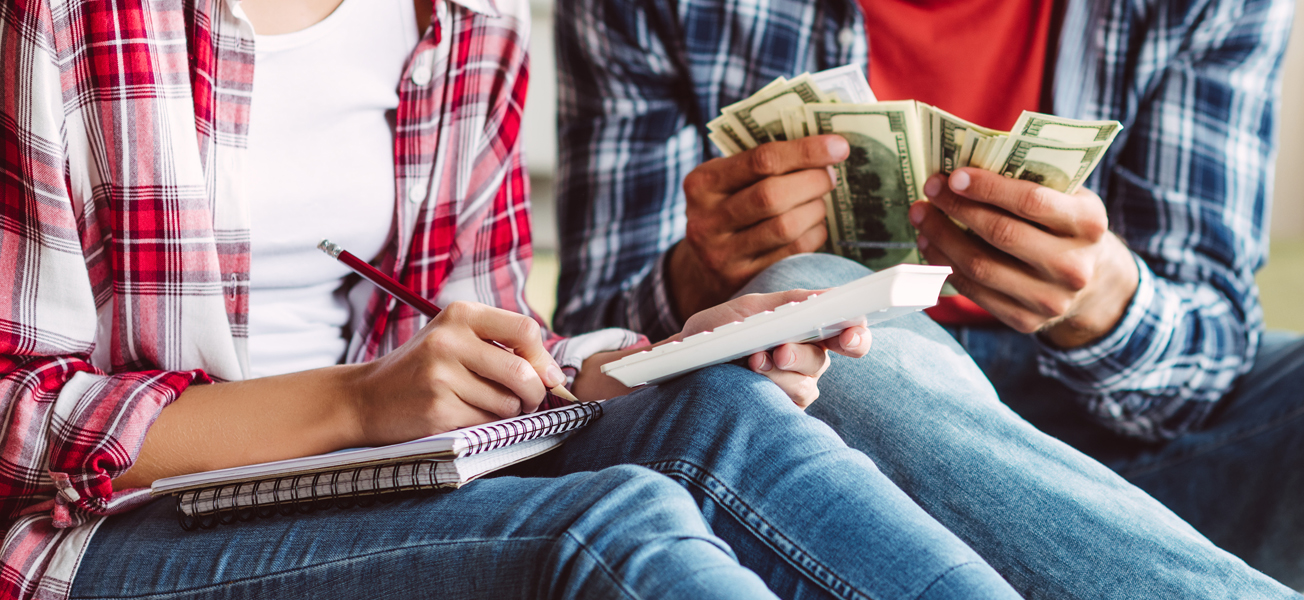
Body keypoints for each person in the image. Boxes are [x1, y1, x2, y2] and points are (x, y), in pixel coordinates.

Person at [554, 0, 1304, 597]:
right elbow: (597, 368)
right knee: (813, 303)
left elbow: (1208, 358)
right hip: (864, 464)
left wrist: (1103, 303)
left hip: (1150, 451)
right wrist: (704, 276)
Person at [0, 0, 1032, 598]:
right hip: (101, 534)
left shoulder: (469, 17)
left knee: (722, 408)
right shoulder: (54, 18)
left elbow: (484, 351)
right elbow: (13, 408)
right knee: (612, 526)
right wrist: (359, 403)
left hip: (385, 476)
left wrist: (655, 357)